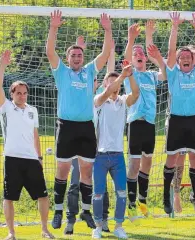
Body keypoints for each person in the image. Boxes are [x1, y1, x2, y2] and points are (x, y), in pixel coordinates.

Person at [46, 10, 113, 229]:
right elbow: (49, 51)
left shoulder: (90, 71)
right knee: (63, 171)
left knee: (86, 172)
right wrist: (54, 27)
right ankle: (57, 212)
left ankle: (85, 211)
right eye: (73, 55)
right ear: (68, 58)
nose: (77, 58)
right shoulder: (62, 72)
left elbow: (105, 53)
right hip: (66, 127)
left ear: (83, 57)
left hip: (86, 128)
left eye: (79, 55)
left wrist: (108, 29)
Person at [0, 50, 55, 240]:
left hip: (31, 160)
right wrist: (3, 66)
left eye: (24, 93)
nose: (22, 96)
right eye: (18, 93)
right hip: (12, 159)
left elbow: (35, 135)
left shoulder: (33, 110)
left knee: (43, 196)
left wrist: (39, 157)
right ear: (12, 94)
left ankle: (45, 230)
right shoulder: (5, 108)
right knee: (9, 198)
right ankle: (11, 233)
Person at [154, 11, 195, 215]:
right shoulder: (173, 73)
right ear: (177, 61)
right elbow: (171, 49)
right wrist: (174, 27)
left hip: (194, 121)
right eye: (182, 57)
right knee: (172, 160)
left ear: (193, 61)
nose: (186, 58)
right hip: (175, 121)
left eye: (188, 57)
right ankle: (166, 198)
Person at [64, 35, 114, 236]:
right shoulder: (77, 94)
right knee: (75, 182)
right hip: (79, 146)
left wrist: (109, 48)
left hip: (99, 149)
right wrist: (79, 49)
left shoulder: (100, 99)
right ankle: (70, 220)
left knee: (100, 184)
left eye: (96, 80)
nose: (92, 82)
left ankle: (103, 219)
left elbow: (109, 72)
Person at [91, 60, 139, 239]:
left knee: (121, 192)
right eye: (110, 83)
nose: (115, 86)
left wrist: (130, 74)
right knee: (98, 193)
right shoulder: (99, 100)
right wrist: (122, 75)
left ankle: (119, 226)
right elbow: (109, 91)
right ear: (105, 84)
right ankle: (97, 227)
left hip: (118, 155)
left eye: (117, 83)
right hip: (100, 156)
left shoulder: (123, 100)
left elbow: (135, 93)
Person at [123, 19, 166, 219]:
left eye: (141, 54)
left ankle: (142, 201)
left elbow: (164, 73)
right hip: (135, 123)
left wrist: (155, 54)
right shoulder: (129, 74)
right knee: (134, 164)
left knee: (147, 163)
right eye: (136, 54)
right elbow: (125, 57)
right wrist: (131, 39)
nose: (139, 56)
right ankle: (131, 202)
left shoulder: (150, 75)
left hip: (150, 124)